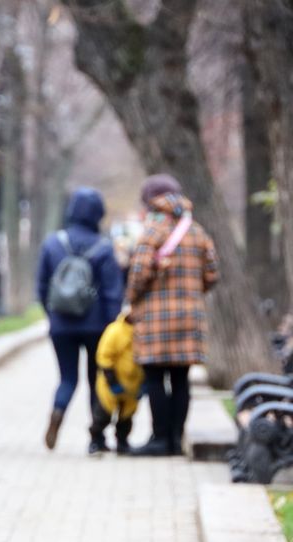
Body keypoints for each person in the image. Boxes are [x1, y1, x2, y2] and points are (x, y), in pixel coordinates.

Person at [126, 174, 219, 456]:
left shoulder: (153, 230)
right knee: (181, 378)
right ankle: (177, 440)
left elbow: (139, 274)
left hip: (156, 318)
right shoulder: (197, 231)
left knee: (154, 378)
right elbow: (212, 274)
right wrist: (192, 291)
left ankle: (160, 439)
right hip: (190, 317)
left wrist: (132, 299)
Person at [36, 187, 125, 454]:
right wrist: (112, 325)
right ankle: (96, 439)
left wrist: (52, 315)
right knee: (96, 379)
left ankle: (57, 413)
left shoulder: (53, 243)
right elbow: (113, 293)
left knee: (67, 379)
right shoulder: (104, 247)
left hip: (62, 325)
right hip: (96, 325)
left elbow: (41, 286)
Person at [93, 308, 144, 455]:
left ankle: (122, 442)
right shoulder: (115, 331)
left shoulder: (143, 332)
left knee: (126, 418)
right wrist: (112, 380)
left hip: (133, 386)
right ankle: (96, 440)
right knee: (102, 415)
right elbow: (104, 356)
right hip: (111, 384)